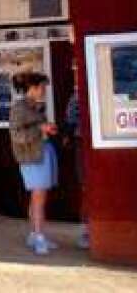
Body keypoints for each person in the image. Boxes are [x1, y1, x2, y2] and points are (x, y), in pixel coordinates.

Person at [9, 71, 59, 255]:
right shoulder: (19, 108)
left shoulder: (34, 106)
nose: (44, 90)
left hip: (42, 152)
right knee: (39, 198)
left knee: (38, 197)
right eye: (42, 87)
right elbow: (17, 136)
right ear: (33, 88)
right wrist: (40, 128)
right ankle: (38, 236)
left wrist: (45, 129)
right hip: (32, 157)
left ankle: (35, 234)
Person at [63, 82, 89, 249]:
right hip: (85, 143)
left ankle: (89, 232)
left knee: (86, 188)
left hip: (83, 143)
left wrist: (67, 135)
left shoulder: (78, 94)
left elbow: (70, 121)